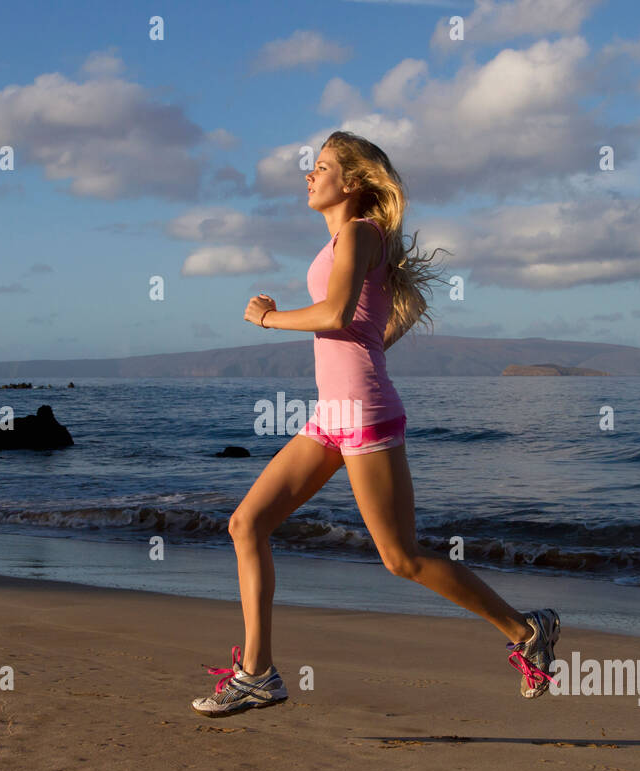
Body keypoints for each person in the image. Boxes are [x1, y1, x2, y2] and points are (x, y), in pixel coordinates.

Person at [193, 131, 560, 717]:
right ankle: (258, 673)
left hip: (361, 414)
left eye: (321, 167)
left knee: (401, 558)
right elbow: (364, 322)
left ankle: (524, 631)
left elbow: (337, 314)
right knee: (247, 523)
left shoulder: (361, 233)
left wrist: (268, 318)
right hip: (331, 414)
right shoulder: (349, 241)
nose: (308, 177)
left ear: (355, 181)